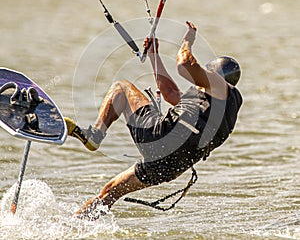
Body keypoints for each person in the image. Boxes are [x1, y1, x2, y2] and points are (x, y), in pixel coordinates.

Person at [64, 21, 243, 220]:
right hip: (168, 168)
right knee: (109, 193)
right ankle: (72, 224)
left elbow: (185, 64)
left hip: (160, 137)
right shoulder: (217, 109)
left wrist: (187, 42)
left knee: (121, 88)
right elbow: (170, 93)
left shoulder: (220, 86)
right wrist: (154, 55)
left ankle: (95, 134)